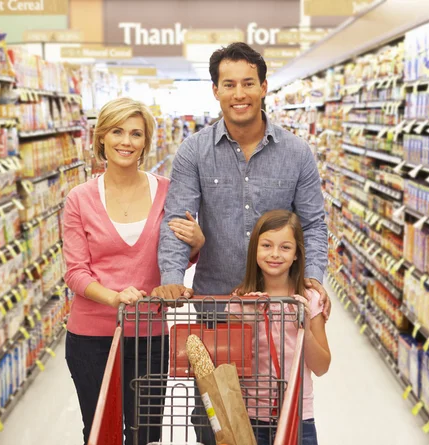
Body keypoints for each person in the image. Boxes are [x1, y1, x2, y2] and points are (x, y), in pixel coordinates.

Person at [154, 41, 331, 444]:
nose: (239, 94)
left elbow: (315, 225)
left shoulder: (297, 153)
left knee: (282, 414)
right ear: (215, 90)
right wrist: (171, 277)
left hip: (280, 309)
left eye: (248, 83)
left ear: (264, 87)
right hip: (217, 307)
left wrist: (313, 280)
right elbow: (176, 222)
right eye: (229, 84)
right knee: (219, 424)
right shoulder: (194, 152)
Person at [62, 97, 202, 445]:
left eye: (136, 133)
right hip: (91, 337)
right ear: (101, 139)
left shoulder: (168, 192)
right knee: (100, 432)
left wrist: (198, 244)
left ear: (146, 142)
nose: (126, 141)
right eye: (117, 131)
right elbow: (75, 272)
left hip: (149, 333)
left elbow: (177, 256)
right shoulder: (79, 198)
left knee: (145, 434)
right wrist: (114, 297)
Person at [229, 209, 331, 445]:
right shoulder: (240, 300)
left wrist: (303, 324)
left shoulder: (310, 299)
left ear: (296, 254)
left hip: (299, 416)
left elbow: (322, 367)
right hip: (251, 417)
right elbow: (231, 368)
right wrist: (250, 321)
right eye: (266, 245)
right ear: (254, 249)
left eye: (285, 247)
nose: (275, 254)